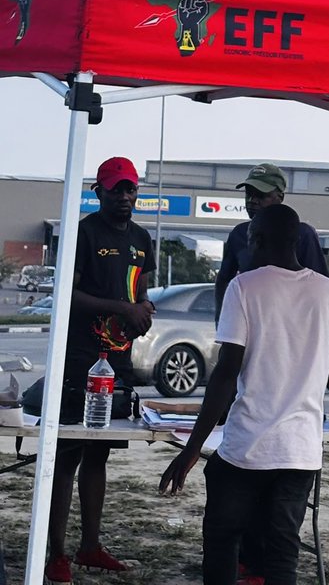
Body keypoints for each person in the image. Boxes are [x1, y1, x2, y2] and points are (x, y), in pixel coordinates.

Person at [159, 204, 329, 585]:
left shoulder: (244, 286)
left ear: (256, 241)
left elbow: (226, 374)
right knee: (282, 553)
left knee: (222, 538)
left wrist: (192, 449)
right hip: (300, 452)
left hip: (246, 449)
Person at [45, 156, 155, 584]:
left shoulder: (143, 238)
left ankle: (90, 546)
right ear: (99, 191)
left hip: (118, 361)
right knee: (68, 452)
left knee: (99, 453)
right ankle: (57, 553)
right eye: (116, 189)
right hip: (78, 357)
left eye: (130, 189)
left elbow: (140, 293)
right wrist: (119, 308)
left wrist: (143, 312)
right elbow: (67, 295)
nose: (124, 197)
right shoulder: (84, 233)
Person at [214, 162, 329, 321]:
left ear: (280, 197)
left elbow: (322, 287)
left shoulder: (302, 234)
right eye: (249, 194)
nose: (252, 201)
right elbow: (223, 280)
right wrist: (222, 320)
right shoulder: (239, 234)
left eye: (261, 195)